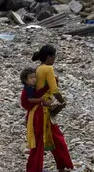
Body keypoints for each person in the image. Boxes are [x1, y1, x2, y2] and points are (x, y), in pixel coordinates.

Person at [21, 44, 74, 172]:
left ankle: (61, 166)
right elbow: (54, 90)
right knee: (48, 140)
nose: (55, 58)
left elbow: (38, 89)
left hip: (38, 110)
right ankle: (37, 168)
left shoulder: (39, 69)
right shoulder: (49, 69)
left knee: (51, 139)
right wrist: (62, 101)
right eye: (54, 56)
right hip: (43, 112)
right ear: (49, 57)